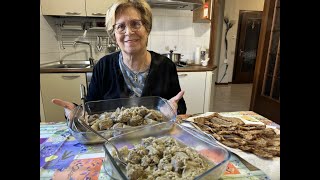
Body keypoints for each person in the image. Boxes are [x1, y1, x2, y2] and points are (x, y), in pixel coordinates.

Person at [52, 0, 187, 117]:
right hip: (113, 141)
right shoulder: (103, 66)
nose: (128, 32)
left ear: (147, 28)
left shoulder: (166, 66)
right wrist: (77, 112)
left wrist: (172, 109)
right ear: (114, 34)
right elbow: (90, 110)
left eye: (135, 24)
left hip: (155, 139)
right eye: (120, 26)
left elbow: (179, 106)